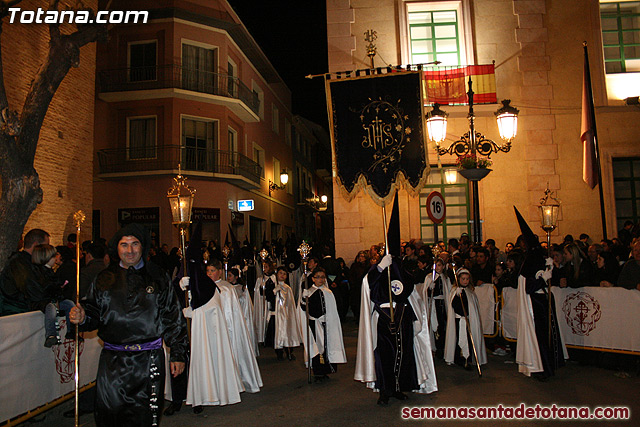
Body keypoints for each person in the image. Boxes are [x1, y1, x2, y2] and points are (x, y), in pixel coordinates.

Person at [70, 223, 188, 426]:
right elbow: (92, 314)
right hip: (112, 363)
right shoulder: (104, 278)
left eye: (135, 244)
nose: (130, 250)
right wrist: (81, 317)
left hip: (148, 361)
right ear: (117, 248)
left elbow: (172, 315)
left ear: (142, 247)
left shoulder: (158, 276)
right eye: (124, 245)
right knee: (110, 416)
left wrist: (178, 352)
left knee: (145, 419)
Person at [355, 254, 438, 405]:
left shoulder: (402, 272)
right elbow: (367, 284)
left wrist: (429, 286)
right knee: (384, 356)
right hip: (383, 318)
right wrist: (380, 268)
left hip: (403, 316)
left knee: (403, 353)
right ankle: (384, 390)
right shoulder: (377, 270)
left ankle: (398, 388)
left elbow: (412, 289)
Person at [513, 208, 567, 379]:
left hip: (544, 299)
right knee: (541, 336)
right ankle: (542, 367)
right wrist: (543, 278)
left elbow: (553, 279)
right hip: (536, 303)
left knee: (549, 332)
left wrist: (551, 268)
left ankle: (552, 362)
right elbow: (529, 287)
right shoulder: (528, 262)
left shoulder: (541, 258)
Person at [206, 260, 262, 393]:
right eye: (207, 271)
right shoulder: (204, 287)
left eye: (212, 271)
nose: (209, 274)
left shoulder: (226, 288)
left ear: (220, 272)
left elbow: (230, 311)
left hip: (226, 326)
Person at [299, 267, 346, 380]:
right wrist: (304, 299)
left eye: (322, 277)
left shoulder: (328, 292)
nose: (320, 280)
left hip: (326, 324)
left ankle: (325, 370)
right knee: (316, 348)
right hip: (314, 325)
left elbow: (332, 310)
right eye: (318, 277)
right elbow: (304, 308)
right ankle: (318, 371)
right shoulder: (309, 292)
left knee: (326, 347)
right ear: (313, 279)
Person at [444, 268, 487, 369]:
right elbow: (454, 306)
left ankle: (469, 358)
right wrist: (458, 297)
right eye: (463, 279)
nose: (465, 281)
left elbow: (473, 308)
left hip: (469, 320)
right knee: (459, 339)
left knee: (468, 339)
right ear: (458, 279)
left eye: (467, 279)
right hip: (459, 320)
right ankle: (460, 359)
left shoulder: (470, 292)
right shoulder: (455, 291)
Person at [0, 228, 50, 316]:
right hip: (15, 313)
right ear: (35, 245)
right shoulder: (18, 263)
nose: (47, 250)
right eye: (45, 246)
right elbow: (32, 290)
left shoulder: (31, 262)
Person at [263, 266, 301, 360]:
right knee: (276, 333)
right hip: (275, 313)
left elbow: (290, 303)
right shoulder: (272, 285)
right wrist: (274, 291)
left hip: (285, 315)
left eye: (284, 274)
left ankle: (288, 351)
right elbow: (268, 297)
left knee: (286, 332)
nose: (282, 275)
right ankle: (278, 352)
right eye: (281, 273)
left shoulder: (288, 288)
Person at [417, 257, 451, 358]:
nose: (437, 268)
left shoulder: (445, 278)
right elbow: (425, 293)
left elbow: (447, 291)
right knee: (432, 325)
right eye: (435, 265)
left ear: (443, 266)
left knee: (441, 325)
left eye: (439, 265)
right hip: (433, 304)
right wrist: (428, 289)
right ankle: (433, 347)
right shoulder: (429, 277)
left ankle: (441, 347)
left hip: (441, 305)